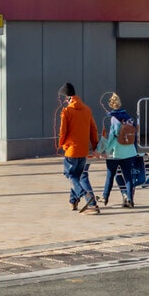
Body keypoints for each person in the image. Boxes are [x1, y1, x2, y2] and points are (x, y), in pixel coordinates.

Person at [57, 83, 101, 214]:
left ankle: (87, 198)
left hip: (71, 149)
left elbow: (63, 131)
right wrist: (94, 146)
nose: (63, 101)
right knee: (77, 175)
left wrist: (61, 144)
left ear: (68, 97)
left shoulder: (66, 112)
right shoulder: (87, 110)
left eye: (64, 98)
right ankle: (73, 201)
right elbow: (93, 129)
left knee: (69, 174)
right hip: (83, 150)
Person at [102, 93, 141, 208]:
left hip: (116, 152)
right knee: (127, 176)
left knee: (110, 175)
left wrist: (106, 150)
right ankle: (130, 199)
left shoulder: (113, 119)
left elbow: (112, 137)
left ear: (110, 104)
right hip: (129, 152)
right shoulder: (130, 118)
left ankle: (105, 197)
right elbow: (133, 135)